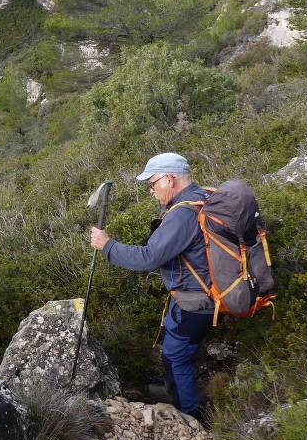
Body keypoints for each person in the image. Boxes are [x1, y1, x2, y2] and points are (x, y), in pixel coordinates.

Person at [89, 152, 214, 423]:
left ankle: (189, 415)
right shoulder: (201, 197)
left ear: (169, 179)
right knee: (176, 349)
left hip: (196, 301)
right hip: (195, 294)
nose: (151, 191)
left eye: (153, 183)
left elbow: (149, 258)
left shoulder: (183, 214)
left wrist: (107, 245)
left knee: (175, 357)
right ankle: (176, 391)